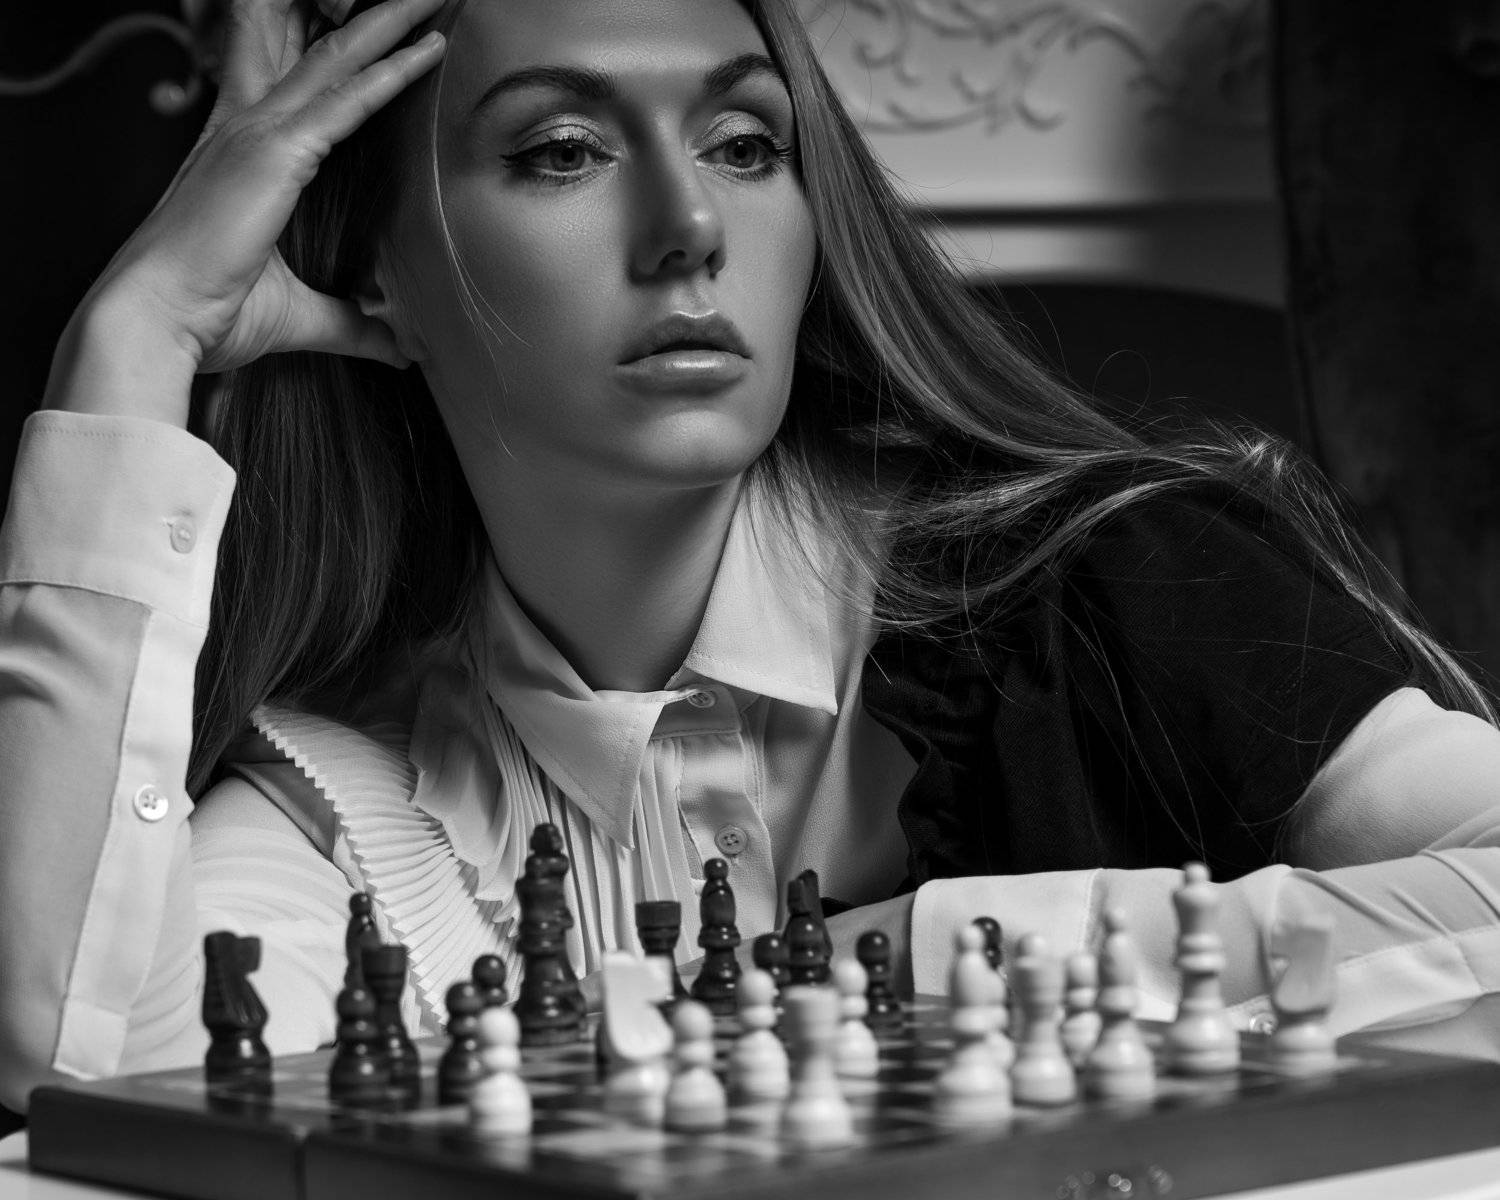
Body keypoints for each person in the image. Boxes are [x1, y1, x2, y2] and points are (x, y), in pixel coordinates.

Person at [3, 0, 1500, 1116]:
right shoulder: (355, 800)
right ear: (375, 268)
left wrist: (919, 964)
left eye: (744, 144)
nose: (691, 227)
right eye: (564, 150)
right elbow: (78, 1079)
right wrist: (139, 333)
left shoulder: (1118, 581)